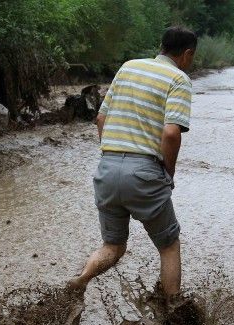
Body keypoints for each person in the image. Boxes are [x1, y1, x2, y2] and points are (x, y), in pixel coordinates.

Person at [67, 26, 196, 300]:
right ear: (186, 54)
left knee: (112, 246)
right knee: (169, 245)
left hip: (107, 168)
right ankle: (173, 311)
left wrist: (112, 155)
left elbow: (100, 119)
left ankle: (81, 278)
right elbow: (171, 133)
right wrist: (167, 174)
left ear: (160, 47)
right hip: (144, 172)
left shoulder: (128, 67)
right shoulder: (178, 79)